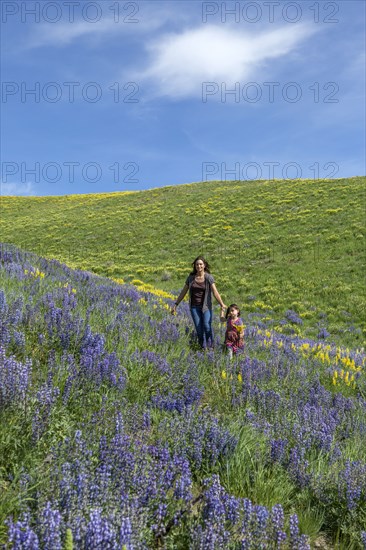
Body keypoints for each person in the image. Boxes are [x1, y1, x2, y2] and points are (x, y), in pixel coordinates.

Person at [171, 256, 226, 350]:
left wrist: (222, 303)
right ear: (195, 266)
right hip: (194, 307)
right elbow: (183, 292)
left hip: (206, 306)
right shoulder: (191, 278)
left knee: (207, 326)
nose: (199, 266)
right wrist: (176, 304)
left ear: (204, 265)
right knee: (199, 329)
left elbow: (215, 292)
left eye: (200, 264)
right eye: (197, 264)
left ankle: (211, 347)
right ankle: (202, 348)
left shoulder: (209, 277)